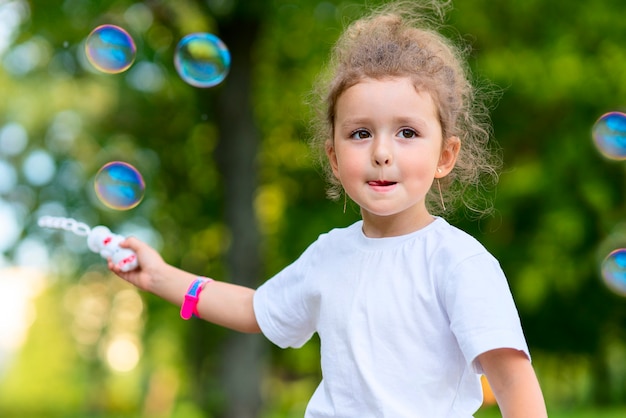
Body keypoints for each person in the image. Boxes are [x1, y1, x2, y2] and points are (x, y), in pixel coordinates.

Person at [109, 1, 548, 416]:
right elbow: (255, 310)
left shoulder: (458, 262)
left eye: (407, 132)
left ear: (445, 156)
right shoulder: (328, 254)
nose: (381, 152)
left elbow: (512, 381)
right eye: (360, 133)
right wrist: (160, 276)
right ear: (334, 158)